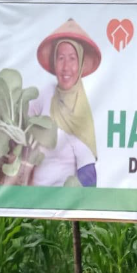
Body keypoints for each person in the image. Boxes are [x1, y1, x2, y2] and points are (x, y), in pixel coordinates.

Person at [28, 18, 101, 187]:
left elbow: (88, 176)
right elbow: (20, 125)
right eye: (61, 58)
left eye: (72, 58)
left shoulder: (82, 112)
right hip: (30, 203)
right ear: (54, 62)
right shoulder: (45, 93)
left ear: (81, 63)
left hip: (62, 205)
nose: (66, 67)